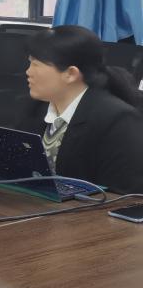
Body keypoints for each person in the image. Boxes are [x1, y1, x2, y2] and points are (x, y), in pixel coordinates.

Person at [25, 25, 143, 194]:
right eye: (30, 63)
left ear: (71, 74)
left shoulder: (117, 120)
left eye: (36, 65)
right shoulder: (39, 107)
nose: (28, 72)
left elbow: (125, 196)